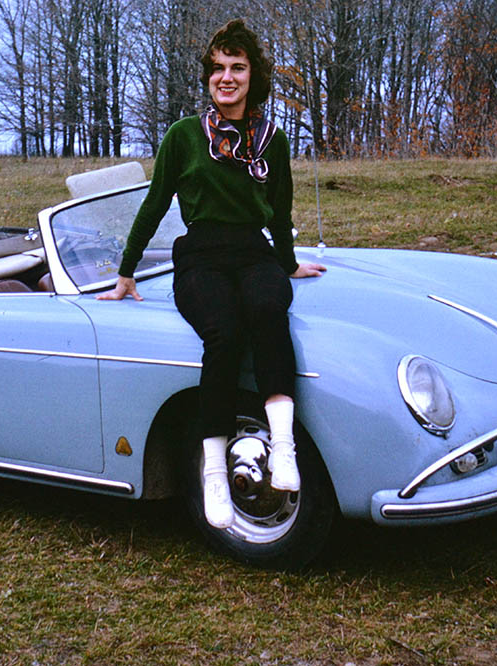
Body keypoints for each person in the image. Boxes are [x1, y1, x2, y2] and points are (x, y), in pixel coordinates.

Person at [97, 19, 326, 529]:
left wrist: (287, 263)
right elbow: (155, 204)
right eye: (218, 68)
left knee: (269, 310)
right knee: (222, 333)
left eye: (237, 68)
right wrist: (126, 272)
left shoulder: (272, 139)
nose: (227, 77)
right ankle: (215, 474)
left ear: (253, 77)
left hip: (253, 252)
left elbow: (281, 210)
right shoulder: (183, 135)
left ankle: (283, 448)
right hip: (199, 256)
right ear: (207, 77)